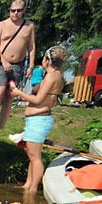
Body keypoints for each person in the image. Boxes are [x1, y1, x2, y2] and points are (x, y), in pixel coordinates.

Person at [11, 45, 66, 193]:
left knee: (35, 157)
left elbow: (37, 100)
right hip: (38, 119)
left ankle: (33, 189)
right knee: (32, 155)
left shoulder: (50, 76)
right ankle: (27, 185)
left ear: (47, 60)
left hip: (38, 120)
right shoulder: (57, 76)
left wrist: (18, 93)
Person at [0, 0, 36, 129]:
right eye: (12, 10)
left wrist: (31, 66)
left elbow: (31, 47)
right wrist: (3, 60)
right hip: (1, 62)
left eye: (19, 10)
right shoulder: (1, 24)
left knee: (10, 96)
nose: (15, 13)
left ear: (24, 10)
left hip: (18, 64)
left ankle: (2, 126)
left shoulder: (29, 26)